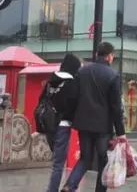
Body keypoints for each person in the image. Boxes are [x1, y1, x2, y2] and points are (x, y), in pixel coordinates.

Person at [62, 42, 126, 192]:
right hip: (103, 127)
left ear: (97, 54)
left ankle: (69, 186)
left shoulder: (82, 71)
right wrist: (121, 132)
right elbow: (116, 107)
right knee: (103, 159)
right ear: (109, 56)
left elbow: (73, 97)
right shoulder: (113, 75)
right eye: (112, 56)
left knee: (85, 158)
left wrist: (71, 118)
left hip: (83, 124)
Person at [44, 53, 81, 192]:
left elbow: (43, 100)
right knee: (59, 164)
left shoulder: (51, 80)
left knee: (56, 162)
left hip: (50, 124)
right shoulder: (71, 83)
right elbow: (72, 104)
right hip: (64, 125)